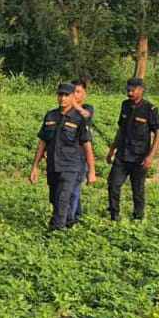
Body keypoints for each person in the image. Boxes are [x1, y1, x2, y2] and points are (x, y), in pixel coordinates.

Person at [29, 82, 97, 231]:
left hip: (71, 165)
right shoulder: (50, 115)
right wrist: (34, 167)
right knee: (55, 198)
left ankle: (56, 231)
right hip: (53, 164)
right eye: (60, 95)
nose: (63, 98)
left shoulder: (80, 118)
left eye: (67, 95)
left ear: (73, 97)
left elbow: (87, 145)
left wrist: (91, 171)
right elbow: (42, 142)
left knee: (63, 198)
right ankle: (68, 222)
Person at [106, 77, 159, 221]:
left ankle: (138, 218)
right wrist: (112, 150)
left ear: (141, 90)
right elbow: (121, 130)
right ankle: (114, 216)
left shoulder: (150, 109)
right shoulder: (125, 105)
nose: (129, 93)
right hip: (122, 155)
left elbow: (158, 133)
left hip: (140, 157)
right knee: (113, 184)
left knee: (138, 190)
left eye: (132, 90)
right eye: (128, 90)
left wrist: (150, 156)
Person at [67, 78, 95, 224]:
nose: (75, 95)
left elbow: (86, 115)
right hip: (66, 155)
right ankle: (77, 215)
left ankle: (70, 220)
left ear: (84, 94)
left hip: (79, 156)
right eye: (73, 92)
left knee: (73, 188)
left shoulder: (87, 108)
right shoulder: (65, 110)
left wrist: (75, 106)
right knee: (70, 188)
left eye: (78, 92)